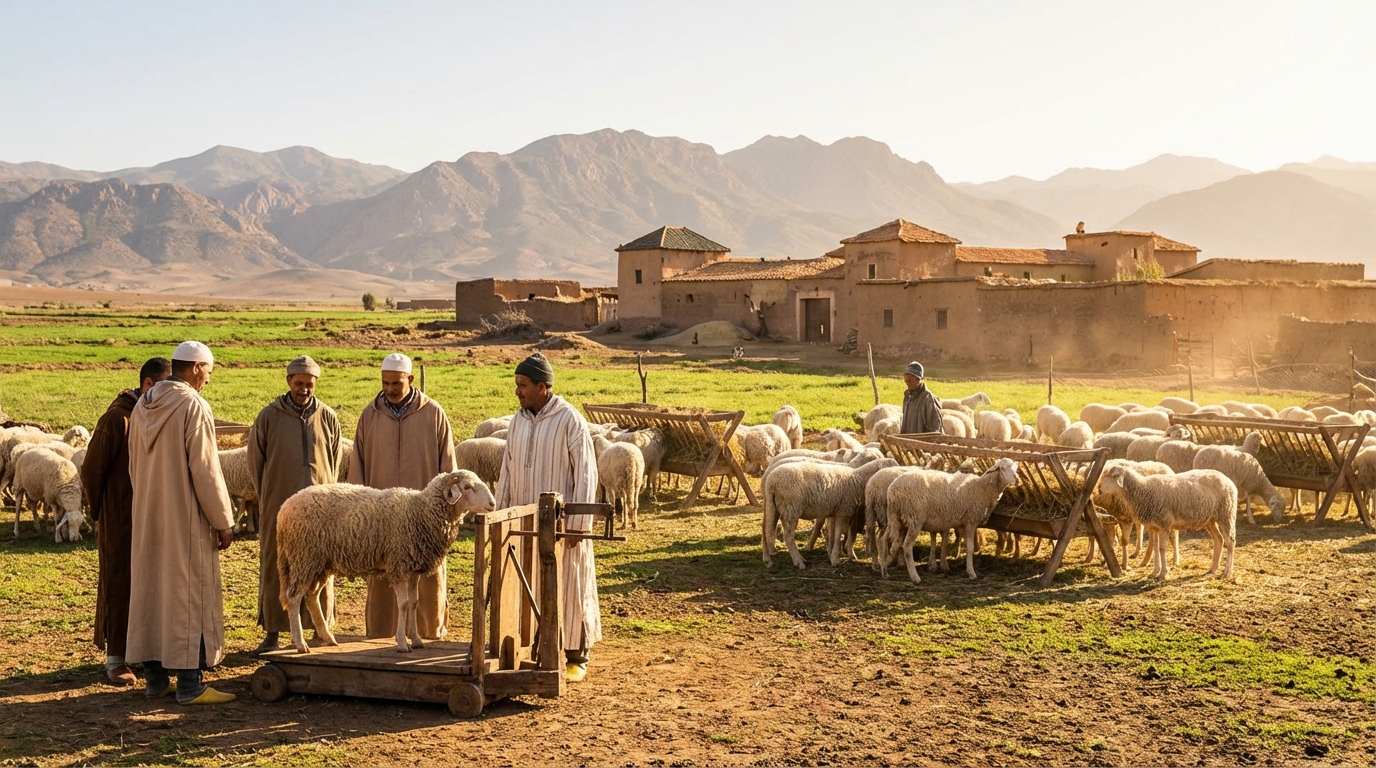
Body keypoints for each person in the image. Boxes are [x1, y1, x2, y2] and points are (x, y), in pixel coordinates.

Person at [125, 341, 236, 705]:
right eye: (208, 372)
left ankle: (155, 679)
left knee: (152, 590)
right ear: (195, 369)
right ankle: (190, 684)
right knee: (189, 593)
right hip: (184, 515)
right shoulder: (192, 405)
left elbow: (132, 463)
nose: (208, 380)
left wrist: (145, 499)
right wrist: (222, 520)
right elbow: (206, 469)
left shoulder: (142, 404)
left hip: (147, 513)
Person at [495, 353, 601, 682]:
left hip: (561, 525)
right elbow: (508, 471)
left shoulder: (569, 420)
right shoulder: (518, 421)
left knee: (569, 584)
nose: (518, 391)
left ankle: (576, 655)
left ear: (542, 387)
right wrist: (500, 519)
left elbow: (586, 474)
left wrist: (578, 527)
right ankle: (538, 647)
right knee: (529, 584)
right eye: (516, 385)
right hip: (524, 522)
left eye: (523, 385)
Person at [350, 353, 456, 640]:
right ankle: (381, 636)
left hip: (425, 519)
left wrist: (446, 510)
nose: (390, 389)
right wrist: (359, 508)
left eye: (396, 383)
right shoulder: (370, 415)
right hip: (380, 517)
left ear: (409, 379)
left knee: (427, 577)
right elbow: (357, 463)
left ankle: (429, 635)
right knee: (382, 573)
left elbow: (448, 468)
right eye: (385, 383)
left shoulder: (433, 413)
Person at [80, 357, 171, 686]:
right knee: (120, 582)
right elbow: (91, 469)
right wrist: (100, 511)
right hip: (120, 518)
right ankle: (116, 659)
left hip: (152, 517)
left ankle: (146, 652)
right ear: (149, 385)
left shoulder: (156, 416)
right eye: (165, 385)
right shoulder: (118, 418)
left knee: (149, 583)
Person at [246, 355, 342, 655]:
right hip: (279, 504)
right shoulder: (268, 416)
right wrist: (269, 494)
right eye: (299, 383)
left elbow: (335, 458)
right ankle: (273, 631)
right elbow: (255, 462)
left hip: (321, 509)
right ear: (288, 381)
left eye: (309, 385)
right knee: (279, 564)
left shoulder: (327, 416)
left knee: (323, 565)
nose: (304, 389)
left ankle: (318, 628)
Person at [900, 361, 944, 434]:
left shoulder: (928, 398)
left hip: (921, 443)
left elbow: (934, 428)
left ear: (920, 379)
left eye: (911, 379)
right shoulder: (907, 396)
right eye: (906, 378)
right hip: (908, 441)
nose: (907, 382)